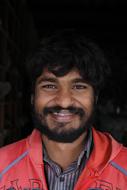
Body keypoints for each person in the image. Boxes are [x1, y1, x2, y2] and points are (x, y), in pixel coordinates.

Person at [0, 29, 127, 190]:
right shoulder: (2, 166)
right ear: (32, 97)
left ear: (95, 98)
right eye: (50, 86)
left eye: (79, 86)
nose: (65, 101)